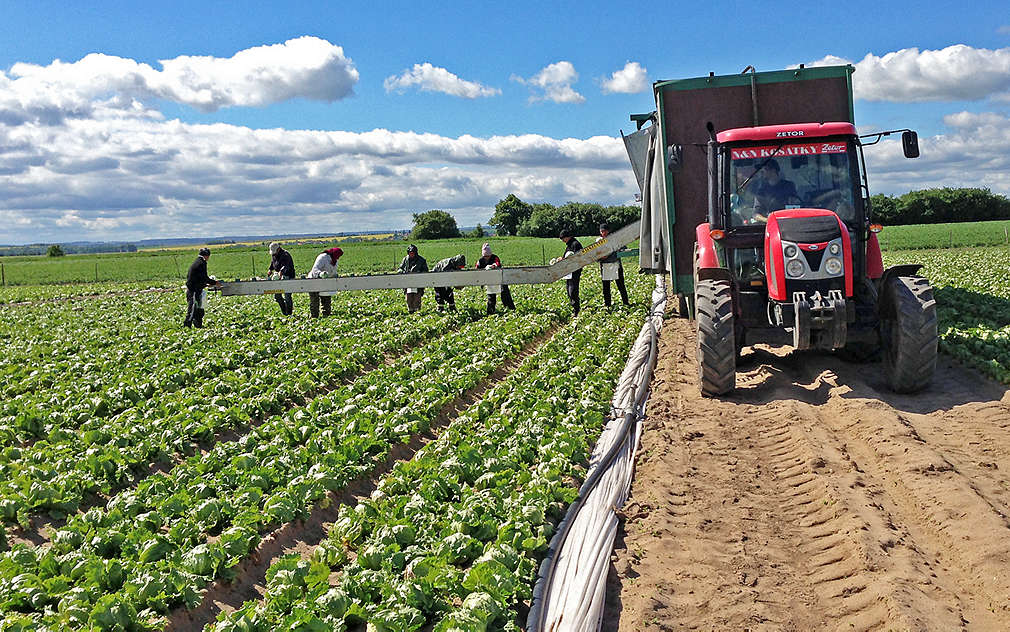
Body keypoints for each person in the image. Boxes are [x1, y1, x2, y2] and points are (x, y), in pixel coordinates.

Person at [184, 247, 222, 328]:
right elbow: (204, 277)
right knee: (192, 309)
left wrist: (205, 285)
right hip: (193, 290)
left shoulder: (197, 262)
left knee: (199, 309)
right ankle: (187, 327)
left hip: (196, 288)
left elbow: (199, 278)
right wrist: (215, 283)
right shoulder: (201, 263)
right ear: (206, 255)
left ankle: (198, 325)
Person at [595, 224, 629, 308]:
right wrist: (601, 257)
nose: (603, 233)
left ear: (608, 231)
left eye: (604, 231)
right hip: (605, 266)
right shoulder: (598, 242)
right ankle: (607, 305)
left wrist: (616, 251)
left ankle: (626, 303)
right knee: (606, 287)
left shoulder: (615, 239)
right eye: (602, 231)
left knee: (620, 285)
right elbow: (595, 255)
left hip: (616, 265)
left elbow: (623, 249)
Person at [475, 242, 515, 315]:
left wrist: (493, 266)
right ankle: (490, 312)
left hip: (499, 277)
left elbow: (498, 264)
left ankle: (510, 309)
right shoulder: (480, 261)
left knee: (505, 293)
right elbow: (477, 270)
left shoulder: (495, 257)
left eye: (488, 256)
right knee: (491, 296)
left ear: (490, 254)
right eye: (485, 256)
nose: (487, 258)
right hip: (489, 280)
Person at [307, 247, 343, 318]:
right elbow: (315, 269)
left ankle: (326, 315)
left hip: (325, 282)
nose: (338, 258)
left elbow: (332, 270)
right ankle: (314, 317)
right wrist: (320, 274)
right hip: (314, 280)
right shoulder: (323, 257)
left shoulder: (334, 260)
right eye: (337, 256)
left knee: (326, 299)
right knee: (315, 300)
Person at [557, 229, 583, 316]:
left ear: (567, 237)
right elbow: (566, 257)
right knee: (569, 291)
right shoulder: (569, 245)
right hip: (569, 271)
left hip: (575, 271)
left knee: (573, 291)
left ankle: (577, 310)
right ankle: (574, 308)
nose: (563, 240)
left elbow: (578, 257)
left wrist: (564, 259)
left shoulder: (576, 244)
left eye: (563, 238)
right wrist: (562, 259)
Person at [397, 244, 428, 312]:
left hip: (418, 283)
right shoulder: (405, 259)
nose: (411, 254)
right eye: (410, 253)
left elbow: (426, 271)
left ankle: (417, 311)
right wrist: (403, 272)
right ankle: (410, 310)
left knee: (417, 298)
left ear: (416, 253)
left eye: (413, 253)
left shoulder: (421, 260)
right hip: (407, 282)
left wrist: (419, 273)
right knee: (409, 297)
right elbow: (400, 269)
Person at [267, 242, 296, 315]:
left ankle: (289, 313)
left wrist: (281, 272)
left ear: (278, 249)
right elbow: (273, 262)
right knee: (277, 296)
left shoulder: (285, 255)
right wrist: (270, 269)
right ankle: (284, 312)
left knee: (287, 296)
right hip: (278, 276)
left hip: (288, 276)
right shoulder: (274, 255)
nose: (273, 254)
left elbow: (286, 266)